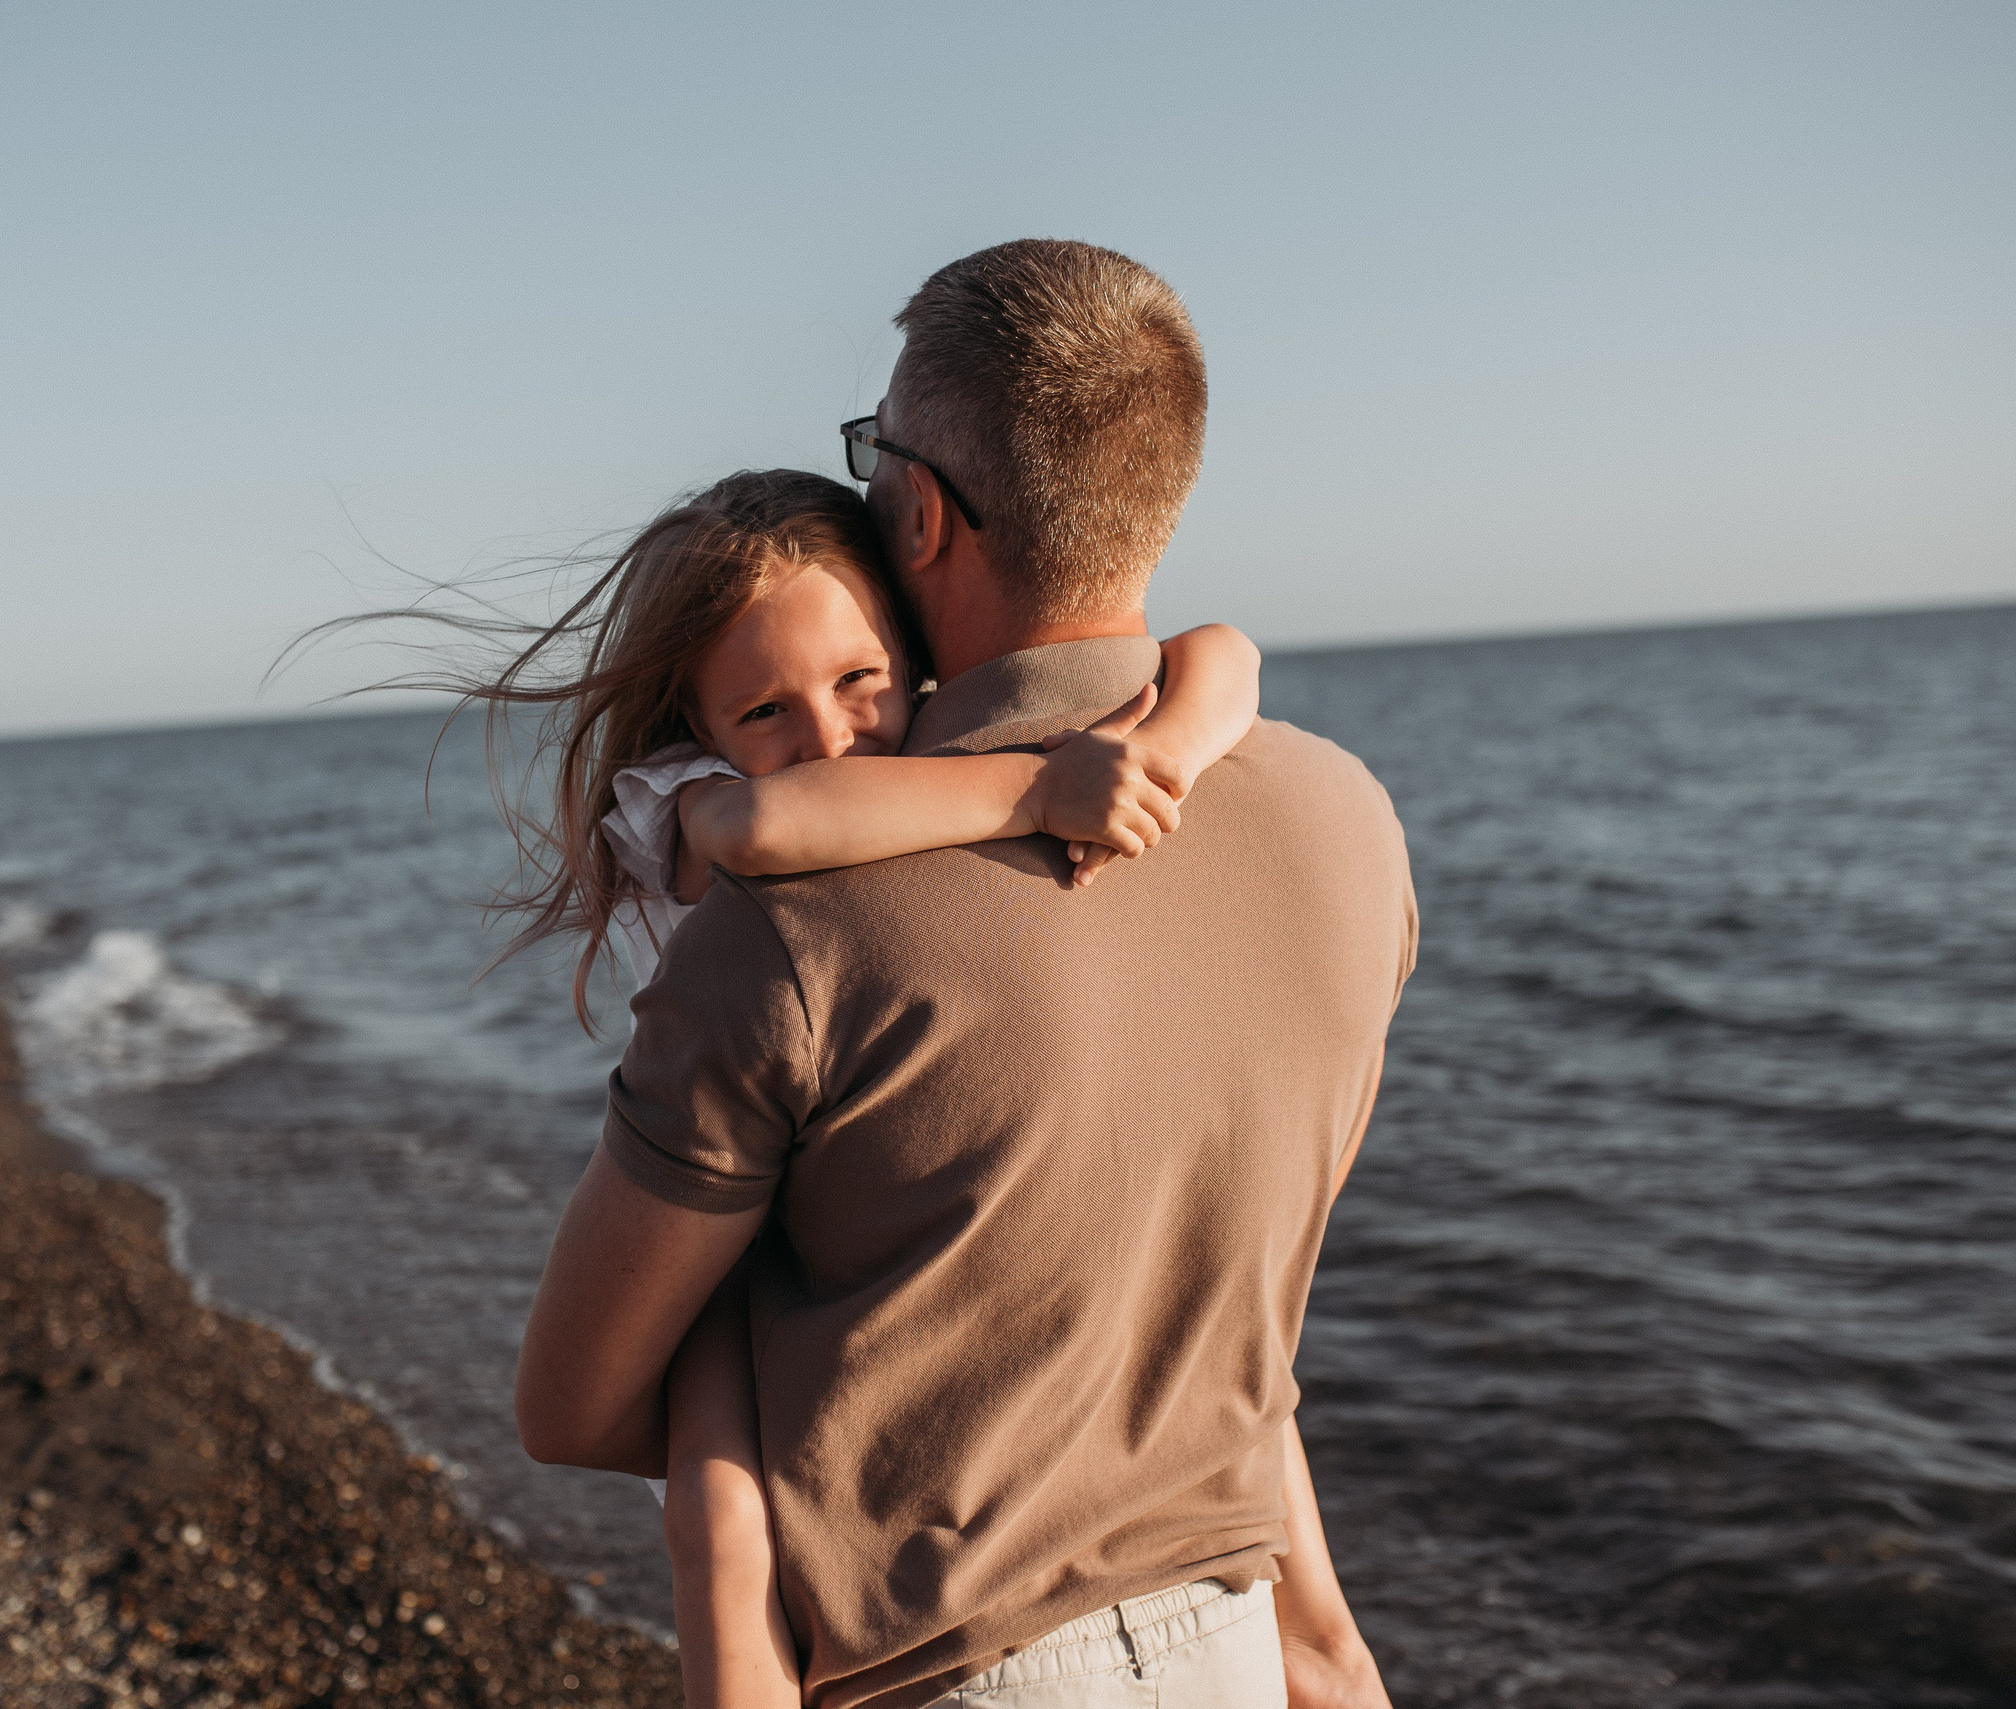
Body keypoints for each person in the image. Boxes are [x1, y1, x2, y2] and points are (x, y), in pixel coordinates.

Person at [518, 239, 1416, 1709]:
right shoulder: (1352, 831)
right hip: (1241, 1647)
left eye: (874, 462)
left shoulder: (796, 923)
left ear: (917, 511)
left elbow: (567, 1403)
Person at [435, 464, 1266, 1705]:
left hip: (849, 1188)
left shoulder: (917, 749)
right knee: (721, 1535)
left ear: (911, 651)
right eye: (765, 709)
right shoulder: (693, 799)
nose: (825, 733)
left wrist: (1164, 747)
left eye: (858, 680)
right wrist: (1038, 788)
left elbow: (1226, 649)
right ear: (700, 726)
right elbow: (781, 830)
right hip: (724, 1223)